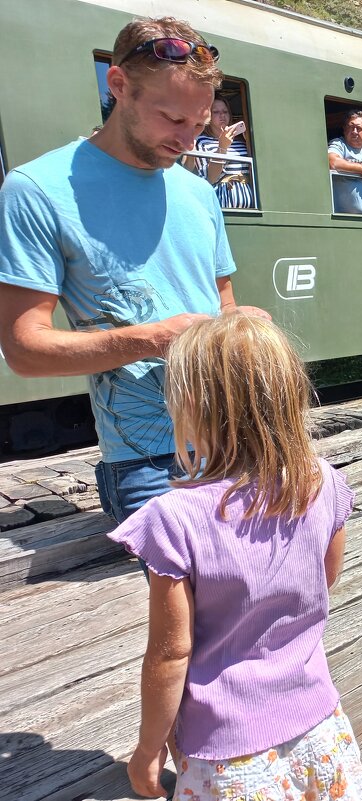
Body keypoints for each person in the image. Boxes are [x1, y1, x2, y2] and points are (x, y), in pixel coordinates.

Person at [0, 17, 267, 527]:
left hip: (236, 438)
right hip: (148, 463)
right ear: (118, 85)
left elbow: (223, 303)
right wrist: (153, 339)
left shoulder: (198, 193)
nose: (187, 140)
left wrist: (242, 325)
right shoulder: (36, 190)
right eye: (171, 119)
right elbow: (24, 350)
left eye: (198, 123)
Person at [107, 314, 362, 801]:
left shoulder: (174, 518)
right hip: (320, 730)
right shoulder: (323, 481)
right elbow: (322, 579)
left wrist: (147, 750)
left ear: (190, 406)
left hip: (228, 758)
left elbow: (170, 654)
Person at [189, 95, 255, 209]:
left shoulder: (241, 141)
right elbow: (210, 179)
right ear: (208, 116)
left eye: (225, 111)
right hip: (222, 204)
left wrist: (248, 141)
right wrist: (222, 147)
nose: (222, 115)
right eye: (216, 112)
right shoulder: (202, 141)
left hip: (249, 203)